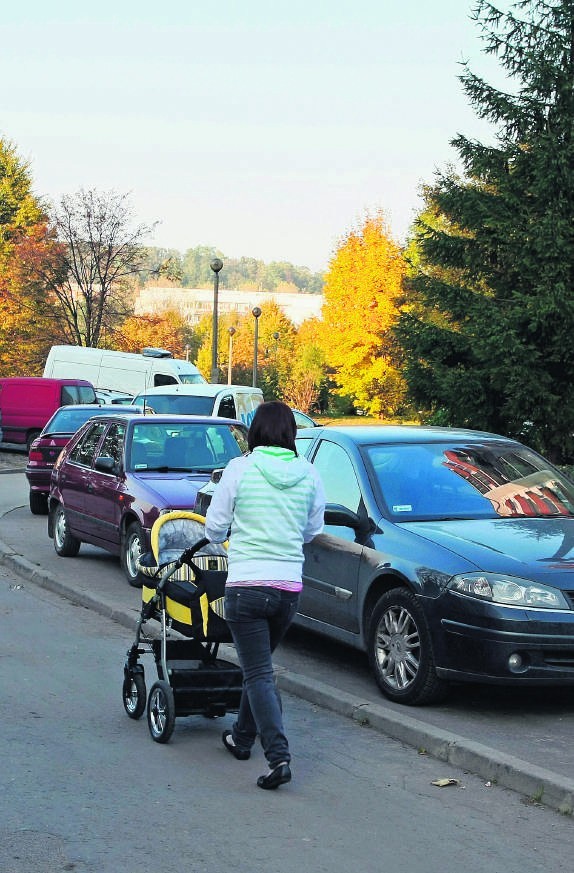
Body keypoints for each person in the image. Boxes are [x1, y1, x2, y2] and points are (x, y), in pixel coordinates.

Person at [205, 401, 325, 790]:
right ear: (291, 433)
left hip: (247, 586)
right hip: (288, 589)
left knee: (258, 673)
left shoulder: (240, 469)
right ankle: (241, 738)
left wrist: (232, 537)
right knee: (258, 668)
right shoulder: (308, 473)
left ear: (255, 431)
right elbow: (312, 531)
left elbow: (214, 528)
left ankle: (278, 757)